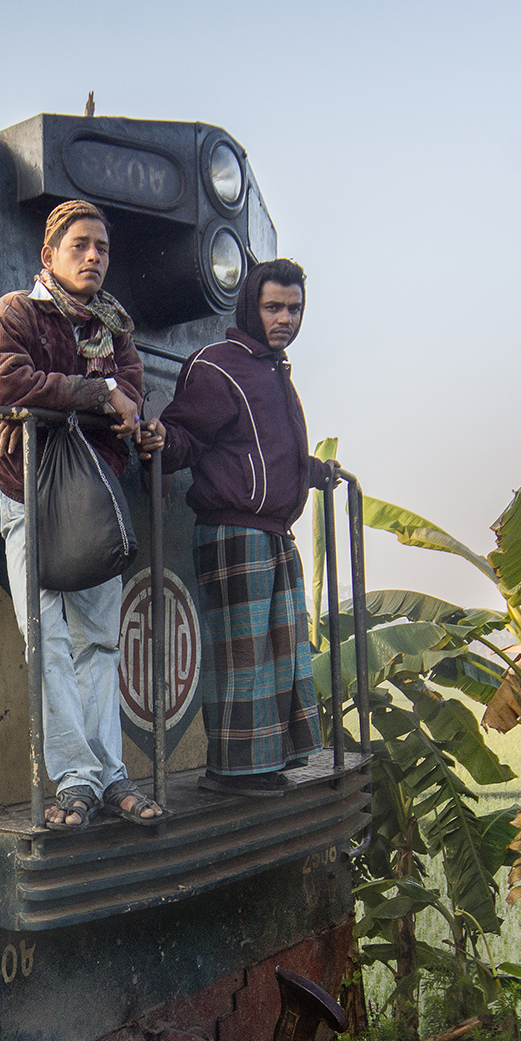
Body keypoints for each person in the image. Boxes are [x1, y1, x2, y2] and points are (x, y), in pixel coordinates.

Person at [0, 199, 166, 830]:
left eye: (102, 248)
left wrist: (83, 403)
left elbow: (130, 398)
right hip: (28, 497)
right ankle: (77, 777)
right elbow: (5, 385)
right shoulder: (15, 312)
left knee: (99, 641)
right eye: (79, 245)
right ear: (49, 255)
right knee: (47, 640)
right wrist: (97, 393)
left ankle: (108, 774)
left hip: (92, 504)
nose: (93, 256)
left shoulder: (117, 329)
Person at [142, 259, 328, 796]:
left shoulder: (273, 370)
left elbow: (264, 451)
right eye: (274, 307)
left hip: (272, 533)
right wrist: (163, 442)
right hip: (232, 532)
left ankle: (265, 762)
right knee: (242, 656)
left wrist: (314, 471)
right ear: (251, 307)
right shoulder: (219, 366)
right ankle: (231, 771)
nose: (285, 318)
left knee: (282, 653)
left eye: (294, 309)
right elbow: (185, 435)